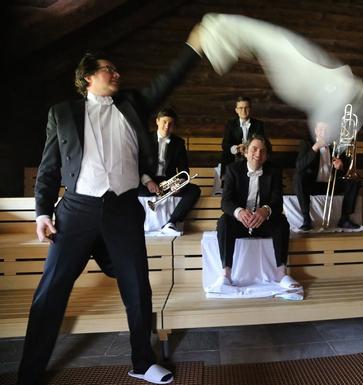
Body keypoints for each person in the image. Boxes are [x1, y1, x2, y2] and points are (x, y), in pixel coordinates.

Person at [19, 25, 204, 385]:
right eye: (108, 69)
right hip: (75, 210)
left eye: (116, 70)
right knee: (51, 290)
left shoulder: (132, 105)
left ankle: (142, 361)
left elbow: (167, 81)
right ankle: (29, 373)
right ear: (88, 77)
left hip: (122, 209)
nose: (116, 74)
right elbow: (49, 169)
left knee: (138, 286)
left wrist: (194, 48)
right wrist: (42, 212)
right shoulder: (62, 113)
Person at [216, 135, 298, 288]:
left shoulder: (274, 171)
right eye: (254, 149)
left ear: (266, 156)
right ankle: (226, 275)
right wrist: (239, 212)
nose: (258, 154)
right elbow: (225, 201)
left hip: (263, 223)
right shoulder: (232, 170)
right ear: (246, 152)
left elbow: (277, 202)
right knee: (224, 222)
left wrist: (265, 211)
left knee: (282, 222)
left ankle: (282, 274)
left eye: (263, 151)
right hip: (241, 223)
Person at [139, 108, 201, 234]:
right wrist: (148, 182)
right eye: (164, 122)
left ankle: (172, 222)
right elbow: (138, 166)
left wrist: (179, 183)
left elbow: (184, 169)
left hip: (169, 183)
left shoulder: (179, 143)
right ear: (157, 121)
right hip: (149, 181)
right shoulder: (145, 140)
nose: (167, 126)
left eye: (171, 123)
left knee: (194, 190)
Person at [293, 121, 361, 231]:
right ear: (315, 131)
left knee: (353, 180)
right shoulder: (306, 143)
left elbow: (344, 171)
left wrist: (341, 166)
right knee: (298, 177)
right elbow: (299, 166)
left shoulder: (336, 145)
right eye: (320, 129)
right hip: (313, 185)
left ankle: (344, 219)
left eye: (326, 130)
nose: (323, 133)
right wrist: (315, 148)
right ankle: (306, 219)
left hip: (331, 185)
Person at [221, 96, 266, 178]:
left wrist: (247, 148)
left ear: (250, 109)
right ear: (236, 110)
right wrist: (236, 148)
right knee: (226, 155)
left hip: (252, 156)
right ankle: (227, 180)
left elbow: (262, 143)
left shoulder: (259, 124)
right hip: (234, 157)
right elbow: (225, 144)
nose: (243, 111)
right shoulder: (230, 124)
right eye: (240, 108)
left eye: (246, 108)